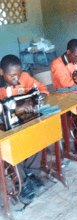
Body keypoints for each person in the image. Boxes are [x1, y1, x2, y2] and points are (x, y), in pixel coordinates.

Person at [0, 55, 49, 200]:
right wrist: (16, 107)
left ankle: (30, 173)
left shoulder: (24, 77)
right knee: (12, 148)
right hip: (3, 124)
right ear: (1, 72)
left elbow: (41, 88)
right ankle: (20, 182)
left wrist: (38, 97)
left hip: (19, 120)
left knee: (36, 137)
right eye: (12, 75)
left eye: (19, 74)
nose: (17, 79)